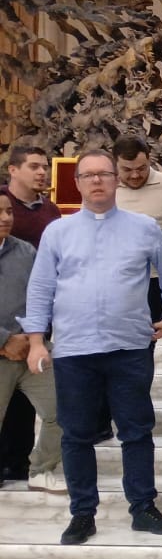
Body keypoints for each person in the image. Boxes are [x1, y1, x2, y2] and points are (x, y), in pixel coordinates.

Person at [20, 149, 162, 545]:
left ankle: (143, 507)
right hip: (74, 350)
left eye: (104, 174)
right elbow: (41, 288)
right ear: (77, 183)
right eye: (88, 175)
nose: (97, 181)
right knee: (76, 434)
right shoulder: (58, 232)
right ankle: (82, 513)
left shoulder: (143, 228)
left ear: (116, 180)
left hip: (129, 347)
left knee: (136, 431)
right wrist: (35, 341)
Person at [0, 190, 64, 493]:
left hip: (30, 349)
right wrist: (4, 340)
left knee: (63, 409)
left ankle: (41, 469)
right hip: (4, 348)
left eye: (9, 212)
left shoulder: (26, 251)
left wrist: (33, 337)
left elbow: (43, 294)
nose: (5, 218)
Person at [114, 134, 162, 360]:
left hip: (153, 280)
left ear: (150, 159)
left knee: (143, 345)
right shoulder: (104, 187)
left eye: (141, 168)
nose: (135, 175)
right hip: (113, 280)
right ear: (115, 164)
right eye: (127, 170)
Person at [5, 145, 61, 246]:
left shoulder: (52, 210)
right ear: (13, 170)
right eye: (34, 167)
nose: (42, 172)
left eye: (45, 168)